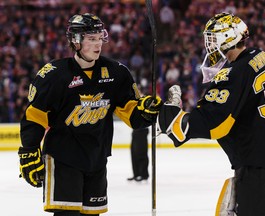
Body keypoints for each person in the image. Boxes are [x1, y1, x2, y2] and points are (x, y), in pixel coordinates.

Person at [18, 13, 162, 216]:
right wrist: (29, 150)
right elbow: (35, 117)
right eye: (91, 39)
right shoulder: (54, 75)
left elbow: (133, 116)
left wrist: (145, 111)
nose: (98, 45)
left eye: (99, 38)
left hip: (97, 160)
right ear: (76, 41)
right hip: (63, 159)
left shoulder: (116, 73)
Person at [157, 12, 265, 216]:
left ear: (229, 38)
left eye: (212, 38)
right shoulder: (260, 56)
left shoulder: (232, 72)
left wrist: (174, 119)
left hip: (261, 165)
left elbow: (216, 123)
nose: (209, 44)